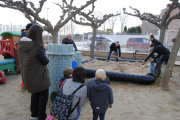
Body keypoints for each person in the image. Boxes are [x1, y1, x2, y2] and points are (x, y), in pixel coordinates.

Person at [18, 25, 50, 120]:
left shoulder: (21, 44)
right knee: (43, 96)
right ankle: (42, 116)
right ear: (37, 34)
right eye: (41, 33)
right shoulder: (37, 47)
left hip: (28, 75)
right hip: (39, 76)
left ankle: (33, 115)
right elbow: (45, 61)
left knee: (35, 93)